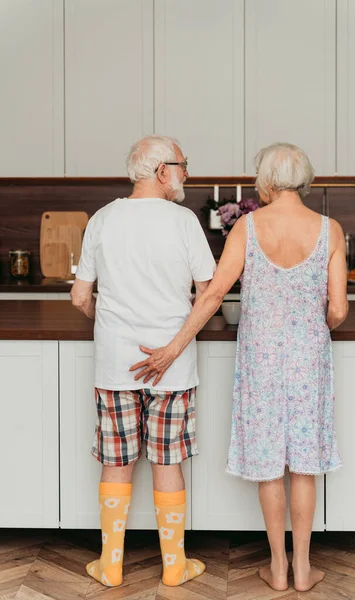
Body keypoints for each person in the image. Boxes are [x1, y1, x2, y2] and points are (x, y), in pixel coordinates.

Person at [130, 142, 349, 593]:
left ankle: (278, 568)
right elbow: (339, 310)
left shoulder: (247, 227)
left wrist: (172, 348)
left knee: (270, 463)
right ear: (303, 179)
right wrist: (315, 320)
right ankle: (305, 569)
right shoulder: (331, 230)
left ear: (265, 181)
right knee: (304, 465)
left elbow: (211, 297)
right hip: (310, 359)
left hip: (261, 361)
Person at [70, 135, 215, 588]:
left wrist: (114, 326)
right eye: (183, 164)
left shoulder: (102, 219)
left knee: (116, 462)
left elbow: (79, 297)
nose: (187, 173)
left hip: (115, 365)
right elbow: (210, 294)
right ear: (161, 171)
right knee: (167, 462)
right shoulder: (184, 221)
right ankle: (175, 567)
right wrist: (171, 348)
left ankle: (109, 565)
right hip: (173, 366)